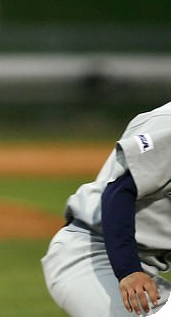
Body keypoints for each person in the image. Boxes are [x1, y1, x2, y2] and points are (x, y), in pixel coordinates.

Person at [41, 102, 171, 317]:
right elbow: (118, 193)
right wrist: (128, 270)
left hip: (143, 266)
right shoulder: (167, 123)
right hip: (93, 255)